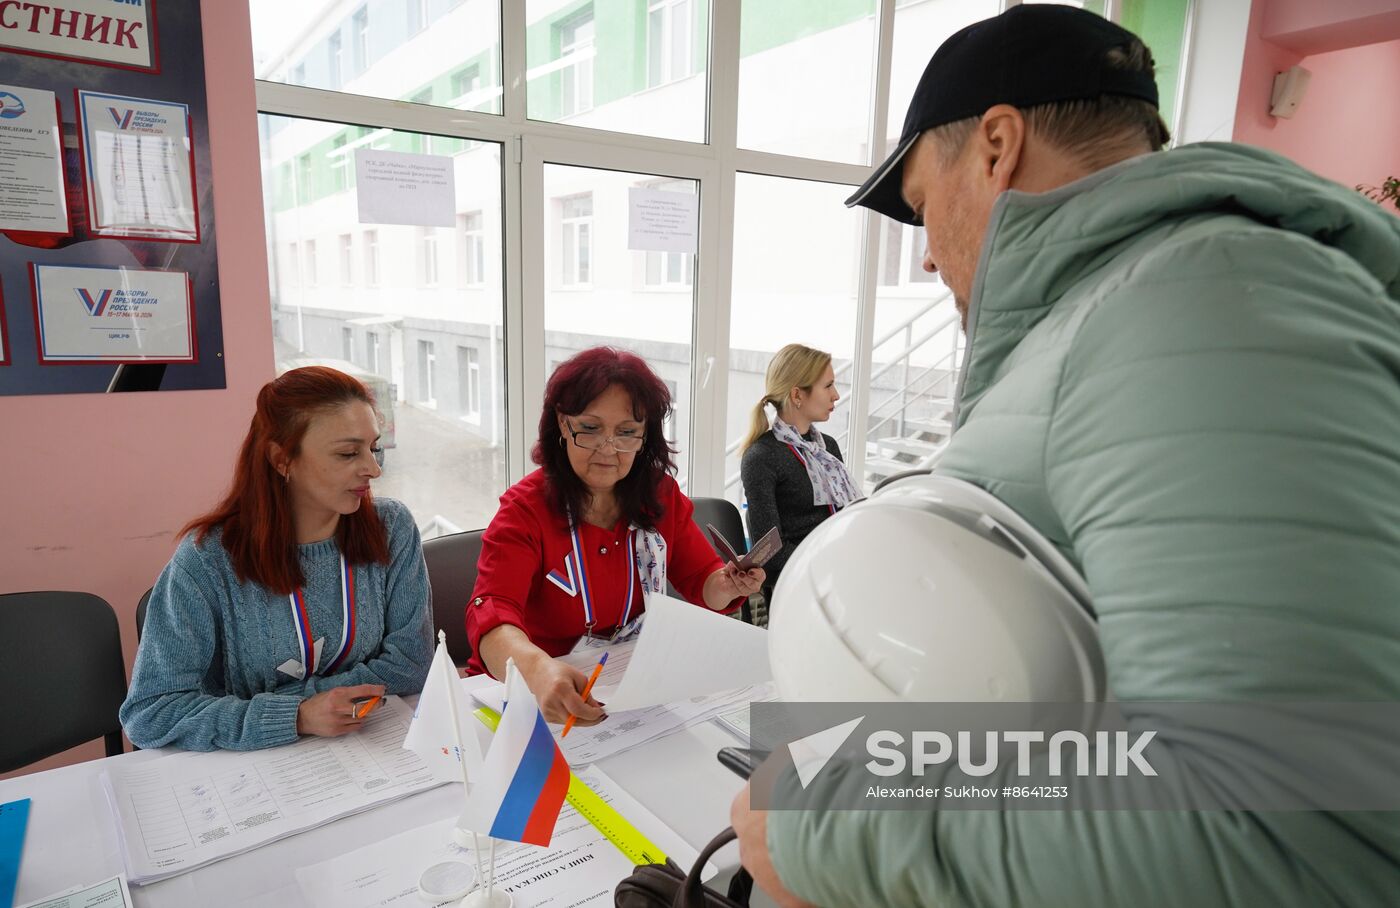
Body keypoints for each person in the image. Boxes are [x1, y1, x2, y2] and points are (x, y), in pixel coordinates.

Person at [731, 6, 1400, 907]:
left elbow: (1296, 828)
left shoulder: (1198, 309)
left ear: (997, 146)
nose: (927, 258)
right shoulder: (1109, 318)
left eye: (925, 208)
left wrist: (830, 835)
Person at [121, 367, 434, 751]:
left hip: (369, 748)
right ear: (282, 459)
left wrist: (313, 705)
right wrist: (298, 715)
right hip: (256, 769)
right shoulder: (208, 560)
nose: (373, 469)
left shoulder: (392, 528)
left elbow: (412, 665)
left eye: (374, 447)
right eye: (348, 453)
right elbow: (152, 712)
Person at [466, 347, 764, 724]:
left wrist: (729, 585)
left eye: (626, 433)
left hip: (624, 686)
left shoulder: (660, 496)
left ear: (645, 438)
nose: (609, 449)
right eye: (590, 429)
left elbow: (700, 580)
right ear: (562, 423)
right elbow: (491, 613)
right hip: (531, 692)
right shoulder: (525, 510)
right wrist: (538, 671)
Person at [739, 343, 859, 605]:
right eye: (828, 386)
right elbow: (769, 552)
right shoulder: (761, 457)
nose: (836, 395)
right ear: (797, 395)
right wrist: (829, 567)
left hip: (835, 576)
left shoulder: (827, 448)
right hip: (799, 588)